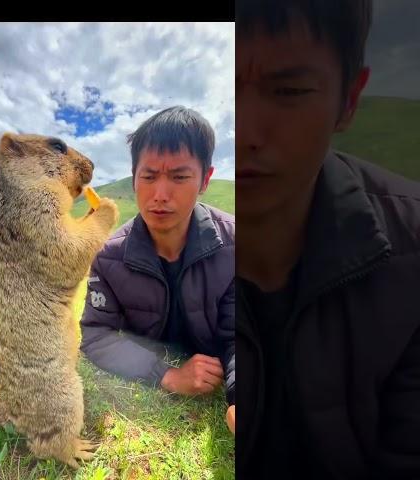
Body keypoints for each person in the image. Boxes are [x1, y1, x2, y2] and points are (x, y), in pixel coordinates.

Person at [236, 1, 420, 478]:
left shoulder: (413, 253)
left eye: (289, 90)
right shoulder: (185, 248)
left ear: (349, 101)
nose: (245, 132)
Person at [80, 106, 235, 418]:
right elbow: (97, 335)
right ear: (134, 179)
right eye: (149, 176)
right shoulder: (109, 257)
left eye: (179, 176)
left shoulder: (235, 247)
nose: (160, 194)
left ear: (205, 179)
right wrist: (167, 375)